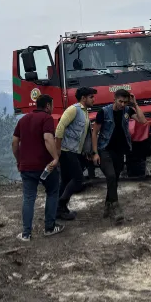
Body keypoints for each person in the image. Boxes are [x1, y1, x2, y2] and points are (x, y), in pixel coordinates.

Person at [88, 89, 147, 222]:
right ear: (114, 99)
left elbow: (143, 121)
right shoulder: (103, 112)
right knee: (111, 175)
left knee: (115, 179)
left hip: (120, 151)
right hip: (104, 149)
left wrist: (135, 104)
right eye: (120, 101)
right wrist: (95, 153)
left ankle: (107, 206)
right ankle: (116, 207)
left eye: (125, 102)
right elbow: (94, 132)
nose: (122, 104)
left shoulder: (127, 111)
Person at [12, 94, 64, 241]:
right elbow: (48, 138)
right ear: (48, 106)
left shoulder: (23, 120)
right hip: (45, 166)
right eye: (52, 105)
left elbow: (15, 143)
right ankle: (49, 227)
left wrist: (19, 161)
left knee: (28, 198)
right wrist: (55, 158)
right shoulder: (46, 118)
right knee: (52, 192)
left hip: (27, 167)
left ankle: (26, 234)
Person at [54, 87, 97, 221]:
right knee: (78, 179)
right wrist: (58, 149)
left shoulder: (84, 112)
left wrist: (86, 151)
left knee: (66, 180)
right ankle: (61, 204)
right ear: (83, 98)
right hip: (67, 151)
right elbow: (60, 127)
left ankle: (58, 210)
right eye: (91, 97)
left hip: (75, 151)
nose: (93, 99)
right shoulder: (73, 109)